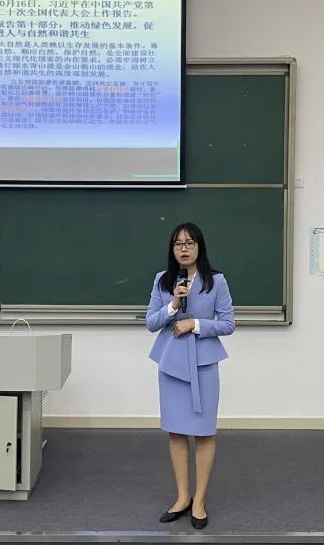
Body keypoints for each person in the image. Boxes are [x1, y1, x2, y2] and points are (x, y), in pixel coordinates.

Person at [145, 222, 235, 530]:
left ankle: (199, 501)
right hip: (171, 364)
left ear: (199, 247)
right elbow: (151, 322)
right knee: (176, 431)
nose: (183, 249)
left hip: (203, 364)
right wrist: (173, 305)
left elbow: (228, 324)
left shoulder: (216, 281)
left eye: (189, 243)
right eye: (178, 244)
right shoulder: (163, 280)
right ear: (172, 249)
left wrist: (195, 324)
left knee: (204, 432)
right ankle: (183, 497)